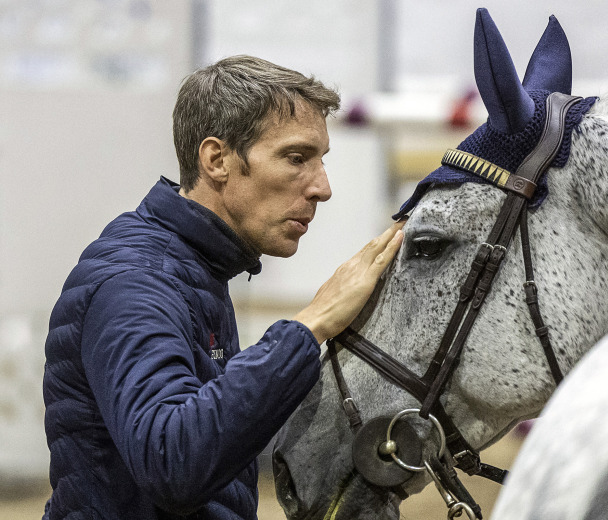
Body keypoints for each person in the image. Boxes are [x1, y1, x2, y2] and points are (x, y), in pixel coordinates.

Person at [42, 55, 404, 519]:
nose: (322, 188)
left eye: (321, 161)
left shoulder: (196, 268)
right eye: (296, 158)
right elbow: (172, 462)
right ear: (217, 160)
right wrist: (310, 325)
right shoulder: (137, 282)